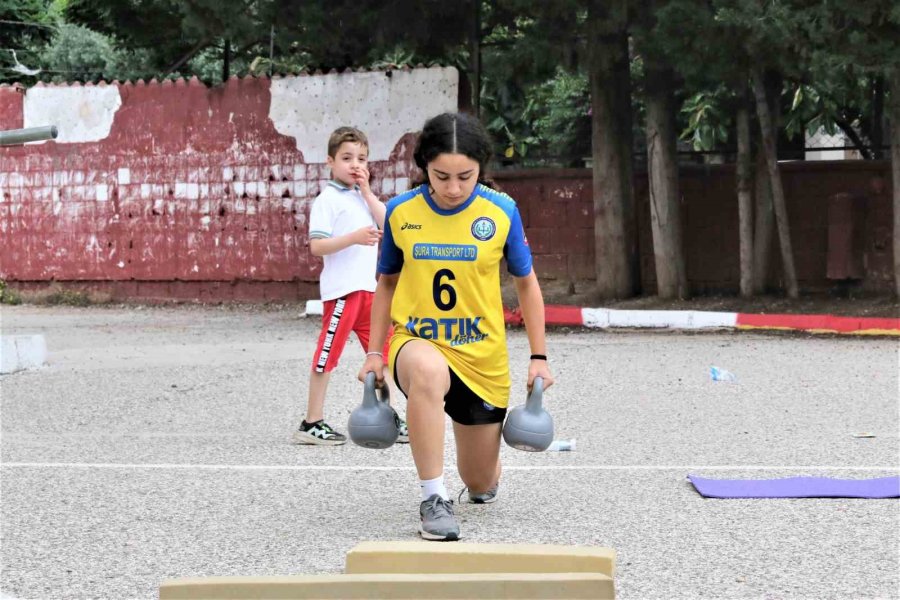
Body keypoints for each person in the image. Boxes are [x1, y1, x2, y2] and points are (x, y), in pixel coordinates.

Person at [358, 112, 554, 540]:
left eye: (465, 176)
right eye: (440, 176)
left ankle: (483, 474)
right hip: (417, 340)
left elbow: (526, 284)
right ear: (423, 167)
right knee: (427, 373)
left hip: (481, 355)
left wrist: (538, 357)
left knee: (480, 482)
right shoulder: (400, 213)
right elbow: (386, 283)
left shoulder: (501, 212)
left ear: (481, 167)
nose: (452, 188)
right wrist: (375, 353)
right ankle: (433, 498)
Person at [294, 126, 408, 446]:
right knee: (327, 356)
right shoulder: (327, 200)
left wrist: (368, 191)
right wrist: (354, 238)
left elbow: (389, 224)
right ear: (330, 162)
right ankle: (311, 422)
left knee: (384, 353)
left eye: (361, 158)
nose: (354, 164)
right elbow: (317, 247)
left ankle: (390, 416)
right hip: (343, 293)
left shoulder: (361, 197)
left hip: (368, 292)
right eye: (346, 158)